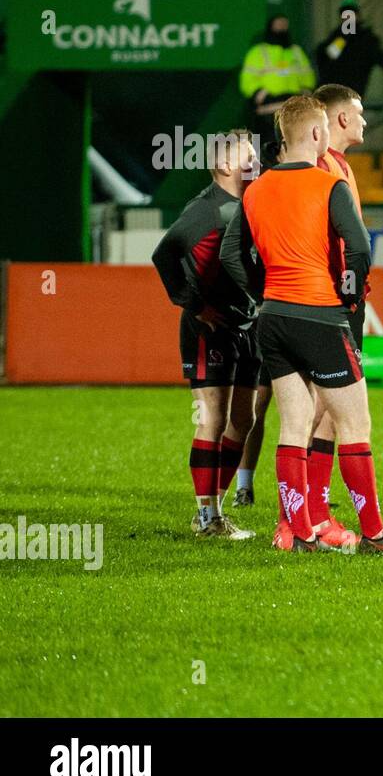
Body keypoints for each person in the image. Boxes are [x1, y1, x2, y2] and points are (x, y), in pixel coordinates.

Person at [220, 95, 383, 555]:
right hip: (321, 314)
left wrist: (264, 291)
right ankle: (374, 534)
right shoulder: (328, 185)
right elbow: (361, 247)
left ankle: (299, 534)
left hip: (272, 319)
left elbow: (231, 255)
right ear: (315, 134)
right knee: (355, 424)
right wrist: (348, 294)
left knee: (294, 424)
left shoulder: (256, 190)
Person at [151, 129, 261, 540]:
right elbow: (165, 253)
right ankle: (207, 518)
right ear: (226, 165)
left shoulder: (247, 204)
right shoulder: (207, 209)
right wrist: (194, 305)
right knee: (213, 420)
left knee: (244, 420)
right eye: (248, 157)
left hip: (245, 324)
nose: (257, 163)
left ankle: (214, 508)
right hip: (208, 329)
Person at [297, 83, 371, 544]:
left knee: (320, 411)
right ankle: (306, 517)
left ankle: (313, 514)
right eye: (359, 114)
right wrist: (344, 291)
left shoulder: (338, 165)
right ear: (340, 119)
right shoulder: (322, 168)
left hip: (338, 300)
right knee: (315, 409)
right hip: (328, 303)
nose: (364, 122)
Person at [239, 15, 315, 154]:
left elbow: (308, 76)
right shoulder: (258, 52)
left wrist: (306, 91)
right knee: (268, 151)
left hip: (295, 109)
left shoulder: (296, 52)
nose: (282, 28)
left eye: (284, 25)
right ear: (270, 27)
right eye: (278, 24)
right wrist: (261, 95)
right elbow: (247, 80)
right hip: (268, 111)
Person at [314, 0, 383, 97]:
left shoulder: (366, 41)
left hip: (349, 95)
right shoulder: (338, 38)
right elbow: (324, 56)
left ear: (358, 16)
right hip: (329, 94)